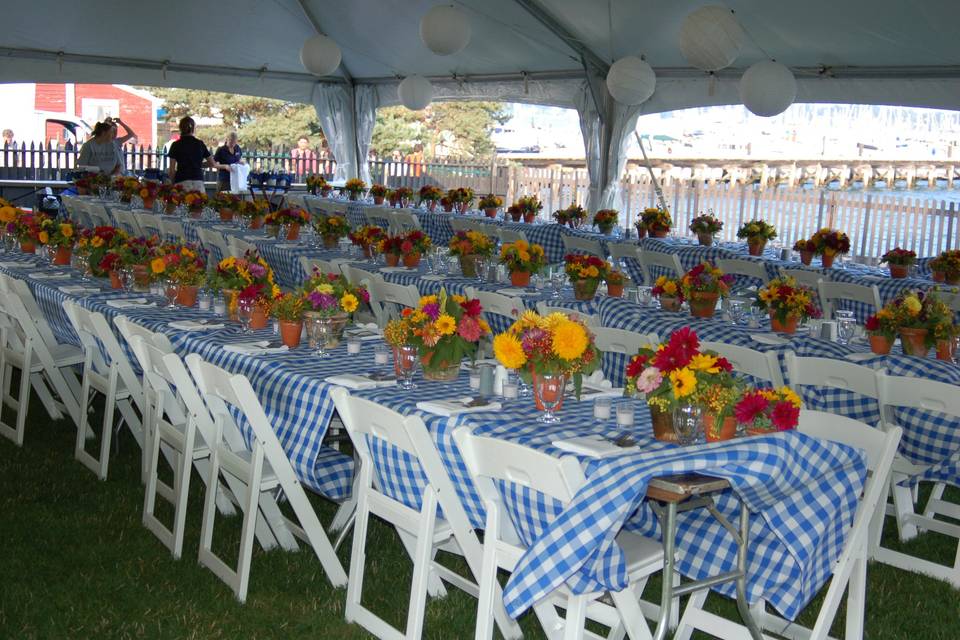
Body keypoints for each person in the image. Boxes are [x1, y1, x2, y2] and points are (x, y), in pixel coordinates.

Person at [166, 116, 228, 191]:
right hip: (198, 181)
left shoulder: (175, 145)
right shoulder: (200, 144)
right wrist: (198, 164)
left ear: (180, 129)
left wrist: (172, 184)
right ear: (193, 129)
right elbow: (212, 163)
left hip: (181, 181)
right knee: (199, 202)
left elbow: (171, 170)